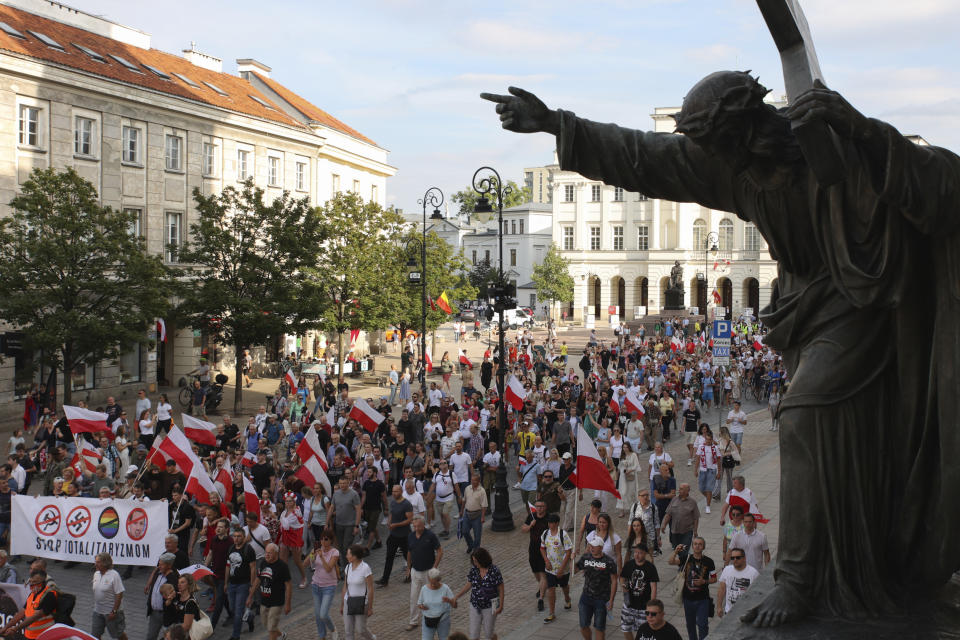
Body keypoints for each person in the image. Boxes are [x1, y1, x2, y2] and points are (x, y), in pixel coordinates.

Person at [668, 536, 716, 640]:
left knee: (703, 624)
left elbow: (714, 579)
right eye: (695, 544)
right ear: (692, 546)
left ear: (703, 547)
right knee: (690, 625)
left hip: (703, 599)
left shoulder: (709, 562)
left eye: (700, 544)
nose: (697, 546)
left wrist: (704, 581)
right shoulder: (686, 558)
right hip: (688, 599)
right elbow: (670, 562)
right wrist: (676, 551)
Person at [453, 547, 504, 640]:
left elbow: (501, 588)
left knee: (489, 633)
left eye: (476, 561)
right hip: (475, 604)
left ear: (482, 559)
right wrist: (457, 596)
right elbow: (469, 584)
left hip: (492, 604)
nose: (475, 564)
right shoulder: (474, 570)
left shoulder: (494, 570)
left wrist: (500, 605)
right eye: (473, 561)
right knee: (474, 635)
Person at [575, 533, 619, 640]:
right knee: (583, 625)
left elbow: (614, 581)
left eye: (594, 546)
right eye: (591, 545)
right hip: (586, 597)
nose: (591, 547)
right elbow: (575, 570)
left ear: (601, 547)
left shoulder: (609, 561)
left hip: (602, 599)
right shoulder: (586, 557)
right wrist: (572, 559)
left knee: (599, 628)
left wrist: (611, 600)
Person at [248, 543, 291, 640]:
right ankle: (281, 635)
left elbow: (288, 585)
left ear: (276, 553)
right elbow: (258, 580)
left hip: (277, 602)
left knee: (271, 629)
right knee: (267, 624)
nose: (266, 555)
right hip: (264, 601)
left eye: (269, 553)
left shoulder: (282, 566)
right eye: (266, 553)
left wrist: (288, 604)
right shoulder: (263, 563)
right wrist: (250, 596)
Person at [618, 544, 659, 640]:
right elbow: (622, 577)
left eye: (640, 553)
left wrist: (652, 605)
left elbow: (653, 587)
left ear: (645, 554)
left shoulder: (650, 567)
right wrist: (624, 587)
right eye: (636, 552)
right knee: (625, 628)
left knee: (644, 632)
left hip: (643, 606)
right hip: (629, 604)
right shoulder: (629, 564)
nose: (637, 555)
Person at [376, 484, 413, 587]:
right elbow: (391, 513)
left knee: (408, 557)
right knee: (389, 557)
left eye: (396, 491)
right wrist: (389, 521)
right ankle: (385, 579)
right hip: (393, 535)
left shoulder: (406, 504)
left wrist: (396, 524)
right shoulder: (393, 502)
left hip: (404, 536)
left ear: (401, 491)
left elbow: (410, 520)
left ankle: (411, 574)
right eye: (392, 491)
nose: (393, 493)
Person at [1, 570, 56, 638]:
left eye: (35, 582)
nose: (32, 584)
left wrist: (15, 629)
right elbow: (22, 612)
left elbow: (35, 617)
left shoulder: (49, 595)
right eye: (31, 581)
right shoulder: (33, 594)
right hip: (30, 635)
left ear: (43, 582)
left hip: (44, 635)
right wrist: (6, 627)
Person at [539, 513, 573, 622]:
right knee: (551, 590)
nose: (549, 525)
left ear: (557, 523)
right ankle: (551, 613)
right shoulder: (545, 534)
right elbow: (542, 548)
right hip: (550, 569)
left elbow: (568, 552)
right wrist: (546, 561)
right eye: (548, 522)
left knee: (564, 586)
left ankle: (567, 598)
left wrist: (562, 569)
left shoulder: (563, 534)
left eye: (552, 523)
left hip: (563, 569)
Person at [226, 527, 257, 638]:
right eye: (234, 536)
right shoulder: (230, 549)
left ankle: (235, 636)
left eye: (239, 536)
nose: (236, 538)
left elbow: (253, 568)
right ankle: (249, 617)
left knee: (238, 612)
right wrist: (226, 583)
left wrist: (252, 585)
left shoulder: (248, 550)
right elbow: (228, 566)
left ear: (244, 537)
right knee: (233, 609)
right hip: (232, 584)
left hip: (243, 584)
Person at [309, 530, 340, 640]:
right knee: (318, 616)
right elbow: (310, 565)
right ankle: (322, 636)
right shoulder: (317, 550)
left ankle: (333, 629)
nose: (323, 541)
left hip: (329, 586)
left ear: (331, 540)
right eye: (321, 539)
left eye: (326, 539)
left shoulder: (334, 552)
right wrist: (312, 556)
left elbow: (328, 568)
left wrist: (321, 557)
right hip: (316, 585)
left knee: (323, 614)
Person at [659, 484, 699, 565]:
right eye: (679, 488)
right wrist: (663, 525)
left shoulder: (692, 502)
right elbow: (668, 514)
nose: (679, 490)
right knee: (678, 551)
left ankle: (683, 568)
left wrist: (695, 531)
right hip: (674, 531)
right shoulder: (674, 499)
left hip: (687, 531)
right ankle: (684, 564)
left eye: (681, 489)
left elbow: (696, 518)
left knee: (684, 551)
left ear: (687, 491)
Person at [90, 553, 128, 640]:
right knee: (94, 635)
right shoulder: (96, 574)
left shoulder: (114, 575)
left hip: (111, 613)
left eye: (98, 562)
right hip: (98, 611)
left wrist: (114, 611)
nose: (96, 564)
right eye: (95, 562)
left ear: (105, 563)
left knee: (118, 634)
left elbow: (119, 594)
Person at [342, 544, 375, 640]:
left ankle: (372, 638)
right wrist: (342, 604)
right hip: (348, 602)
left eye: (348, 554)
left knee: (361, 629)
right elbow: (345, 586)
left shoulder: (365, 568)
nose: (346, 556)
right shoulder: (347, 567)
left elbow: (370, 588)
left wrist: (370, 607)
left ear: (355, 556)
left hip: (361, 603)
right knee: (348, 631)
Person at [522, 499, 550, 612]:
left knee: (543, 573)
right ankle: (542, 586)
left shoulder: (549, 518)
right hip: (533, 549)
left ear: (545, 507)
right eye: (537, 506)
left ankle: (541, 599)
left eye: (541, 506)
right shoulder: (531, 517)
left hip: (545, 550)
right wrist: (530, 526)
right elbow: (523, 529)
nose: (539, 508)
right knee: (536, 572)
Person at [717, 547, 760, 619]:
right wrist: (719, 607)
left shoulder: (753, 573)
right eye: (732, 558)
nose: (735, 560)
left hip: (745, 613)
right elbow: (722, 589)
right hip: (729, 612)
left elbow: (757, 594)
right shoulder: (727, 570)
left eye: (738, 557)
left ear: (744, 558)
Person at [145, 553, 180, 640]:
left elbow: (175, 596)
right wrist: (148, 584)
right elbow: (154, 574)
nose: (159, 566)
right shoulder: (158, 572)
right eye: (159, 564)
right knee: (150, 637)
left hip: (167, 615)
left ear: (169, 565)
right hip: (154, 613)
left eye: (162, 564)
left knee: (168, 638)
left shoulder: (173, 578)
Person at [331, 475, 362, 570]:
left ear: (348, 483)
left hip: (350, 524)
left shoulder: (354, 494)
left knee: (346, 547)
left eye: (344, 483)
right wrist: (327, 522)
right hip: (339, 524)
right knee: (340, 547)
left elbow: (358, 510)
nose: (342, 485)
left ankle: (348, 567)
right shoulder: (336, 494)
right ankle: (345, 567)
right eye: (340, 483)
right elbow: (331, 508)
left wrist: (356, 525)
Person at [278, 491, 307, 588]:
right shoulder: (284, 512)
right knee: (283, 561)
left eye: (290, 501)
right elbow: (282, 526)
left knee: (297, 561)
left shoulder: (296, 512)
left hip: (295, 538)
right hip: (285, 537)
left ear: (294, 502)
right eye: (286, 501)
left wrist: (277, 518)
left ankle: (304, 578)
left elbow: (285, 525)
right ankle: (285, 579)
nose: (288, 503)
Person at [417, 567, 456, 640]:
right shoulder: (424, 589)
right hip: (428, 620)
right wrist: (422, 607)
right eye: (431, 582)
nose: (432, 585)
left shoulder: (445, 589)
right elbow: (419, 603)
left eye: (435, 583)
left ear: (439, 580)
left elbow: (455, 605)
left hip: (443, 619)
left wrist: (450, 601)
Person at [460, 472, 488, 553]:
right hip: (467, 514)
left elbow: (484, 505)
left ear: (478, 481)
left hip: (477, 515)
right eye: (471, 480)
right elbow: (464, 500)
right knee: (464, 531)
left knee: (477, 535)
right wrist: (461, 511)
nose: (472, 482)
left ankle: (476, 550)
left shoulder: (482, 491)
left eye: (474, 480)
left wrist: (483, 517)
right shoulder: (467, 489)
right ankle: (470, 545)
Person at [693, 433, 720, 513]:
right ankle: (709, 497)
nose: (708, 441)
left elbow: (718, 460)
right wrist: (695, 470)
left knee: (709, 488)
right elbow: (698, 459)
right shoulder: (701, 447)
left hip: (712, 470)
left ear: (712, 440)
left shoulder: (715, 448)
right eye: (706, 439)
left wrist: (719, 472)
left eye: (709, 439)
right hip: (703, 470)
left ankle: (708, 506)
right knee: (701, 488)